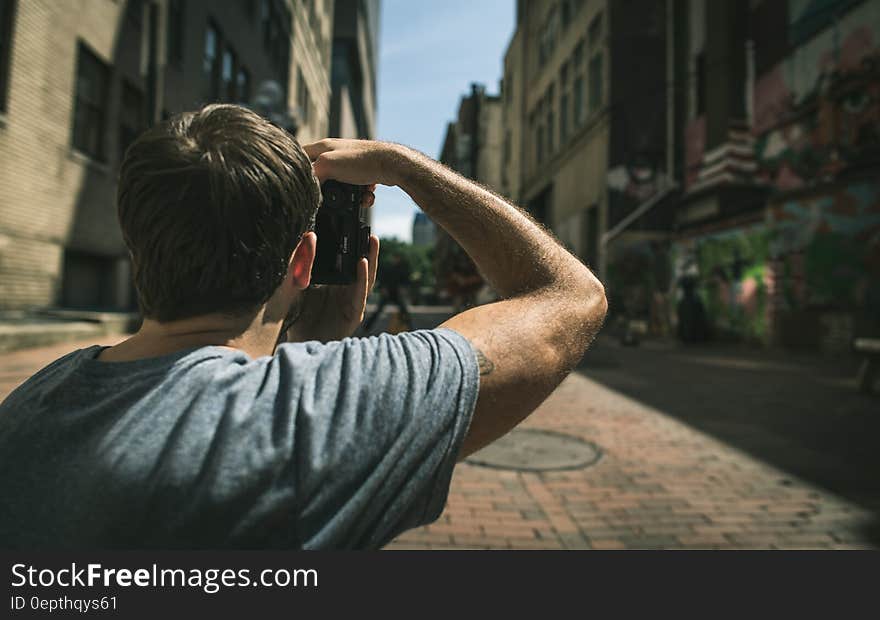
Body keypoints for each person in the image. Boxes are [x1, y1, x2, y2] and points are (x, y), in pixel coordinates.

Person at [0, 104, 607, 549]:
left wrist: (311, 349)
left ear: (138, 248)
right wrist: (406, 166)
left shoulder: (33, 401)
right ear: (303, 261)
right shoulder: (323, 409)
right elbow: (571, 297)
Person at [362, 251, 411, 333]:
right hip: (388, 293)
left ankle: (410, 327)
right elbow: (383, 280)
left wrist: (403, 289)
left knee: (404, 310)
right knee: (378, 311)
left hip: (396, 294)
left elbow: (404, 281)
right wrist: (383, 289)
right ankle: (366, 327)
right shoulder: (389, 268)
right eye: (395, 258)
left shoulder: (401, 269)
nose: (395, 260)